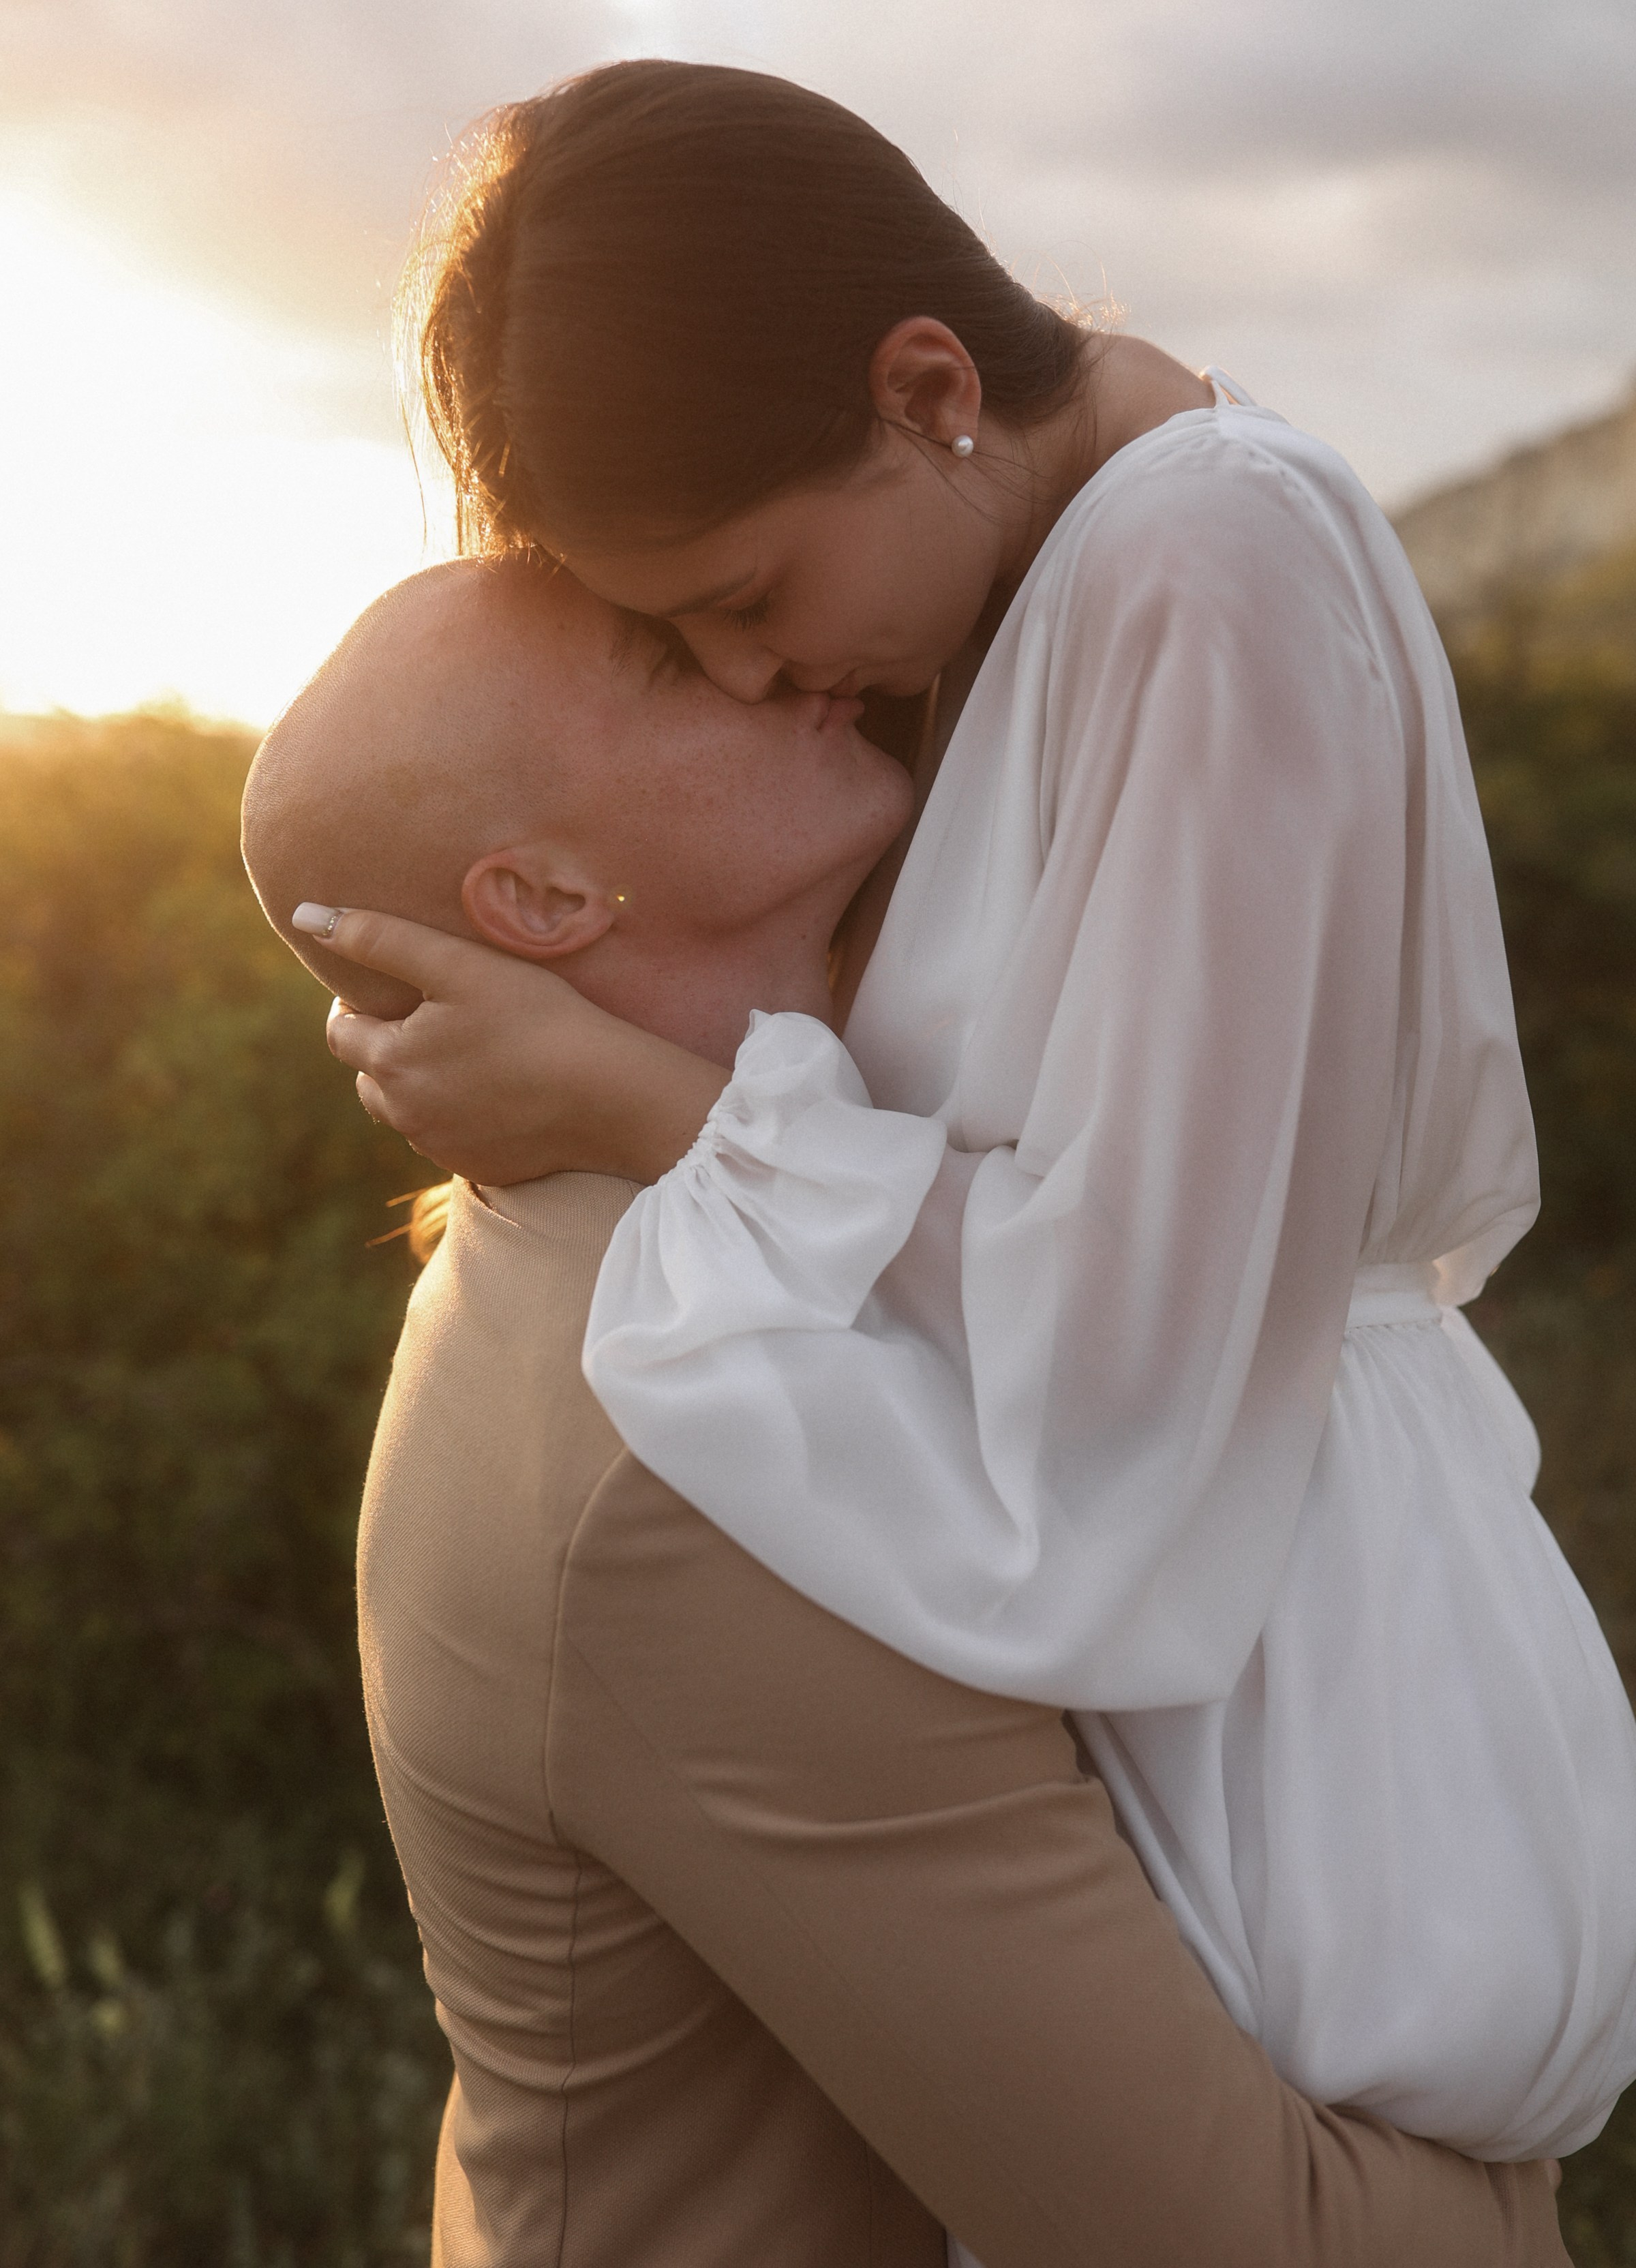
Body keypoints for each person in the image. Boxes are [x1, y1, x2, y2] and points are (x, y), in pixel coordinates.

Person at [240, 555, 1564, 2266]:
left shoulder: (711, 1234)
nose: (777, 657)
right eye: (674, 654)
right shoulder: (682, 1438)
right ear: (545, 898)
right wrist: (1524, 2173)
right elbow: (1235, 2239)